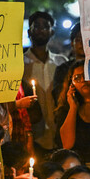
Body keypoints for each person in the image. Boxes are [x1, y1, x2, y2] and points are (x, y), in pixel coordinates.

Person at [22, 11, 67, 160]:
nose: (41, 30)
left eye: (45, 27)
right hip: (33, 136)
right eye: (37, 27)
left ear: (52, 32)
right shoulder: (20, 63)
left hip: (60, 134)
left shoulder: (61, 62)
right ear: (29, 32)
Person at [56, 60, 90, 168]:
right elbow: (67, 144)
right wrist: (73, 108)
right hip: (80, 169)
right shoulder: (67, 109)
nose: (83, 80)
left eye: (87, 75)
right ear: (71, 84)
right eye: (77, 78)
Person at [52, 22, 84, 107]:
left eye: (86, 39)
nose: (82, 43)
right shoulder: (63, 69)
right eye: (78, 40)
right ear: (72, 43)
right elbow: (58, 98)